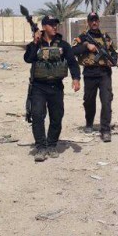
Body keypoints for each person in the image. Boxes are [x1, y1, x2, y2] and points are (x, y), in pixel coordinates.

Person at [24, 15, 81, 162]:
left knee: (56, 117)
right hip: (38, 86)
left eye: (55, 24)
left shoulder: (63, 44)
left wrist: (76, 78)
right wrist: (35, 42)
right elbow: (28, 58)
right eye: (51, 25)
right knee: (37, 115)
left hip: (56, 86)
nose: (54, 27)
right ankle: (41, 147)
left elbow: (72, 63)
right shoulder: (36, 43)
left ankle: (51, 144)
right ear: (44, 27)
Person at [72, 12, 117, 142]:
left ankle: (105, 130)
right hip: (90, 73)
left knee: (106, 100)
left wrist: (112, 61)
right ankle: (89, 123)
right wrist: (86, 46)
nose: (94, 23)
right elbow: (73, 51)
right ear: (88, 22)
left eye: (96, 20)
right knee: (89, 101)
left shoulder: (105, 37)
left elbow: (113, 53)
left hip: (104, 73)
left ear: (99, 21)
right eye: (91, 20)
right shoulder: (82, 37)